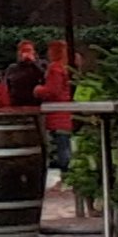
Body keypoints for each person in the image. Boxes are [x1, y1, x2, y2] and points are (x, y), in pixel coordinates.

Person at [37, 40, 75, 175]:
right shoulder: (67, 67)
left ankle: (65, 174)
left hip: (56, 114)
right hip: (66, 113)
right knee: (65, 144)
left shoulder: (55, 68)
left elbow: (53, 91)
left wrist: (38, 90)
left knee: (61, 147)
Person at [5, 40, 46, 111]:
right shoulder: (12, 68)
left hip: (36, 105)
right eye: (23, 50)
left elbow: (44, 77)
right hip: (17, 105)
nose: (26, 53)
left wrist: (33, 63)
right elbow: (7, 85)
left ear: (34, 52)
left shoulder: (42, 64)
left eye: (28, 50)